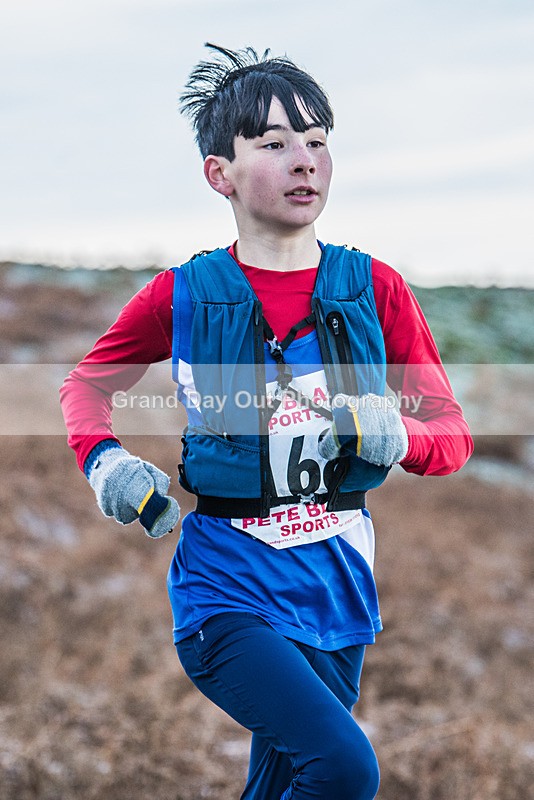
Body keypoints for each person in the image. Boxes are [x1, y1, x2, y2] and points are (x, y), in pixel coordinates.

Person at [60, 43, 473, 800]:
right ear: (220, 173)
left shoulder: (377, 289)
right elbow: (85, 387)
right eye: (276, 143)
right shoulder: (179, 295)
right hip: (226, 592)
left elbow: (451, 434)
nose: (304, 161)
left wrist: (402, 435)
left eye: (317, 142)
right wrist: (105, 461)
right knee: (343, 769)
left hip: (339, 592)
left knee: (283, 785)